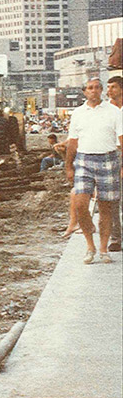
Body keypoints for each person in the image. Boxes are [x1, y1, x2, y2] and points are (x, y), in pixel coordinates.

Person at [63, 77, 122, 264]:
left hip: (108, 159)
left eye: (97, 87)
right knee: (81, 204)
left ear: (101, 90)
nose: (94, 91)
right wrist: (68, 166)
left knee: (106, 207)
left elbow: (121, 138)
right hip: (84, 160)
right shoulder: (78, 113)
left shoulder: (114, 112)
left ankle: (103, 248)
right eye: (90, 88)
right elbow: (73, 141)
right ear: (84, 92)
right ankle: (90, 246)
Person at [104, 75, 122, 253]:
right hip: (110, 154)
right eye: (108, 87)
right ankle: (115, 238)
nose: (109, 91)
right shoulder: (106, 111)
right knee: (112, 199)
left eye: (113, 87)